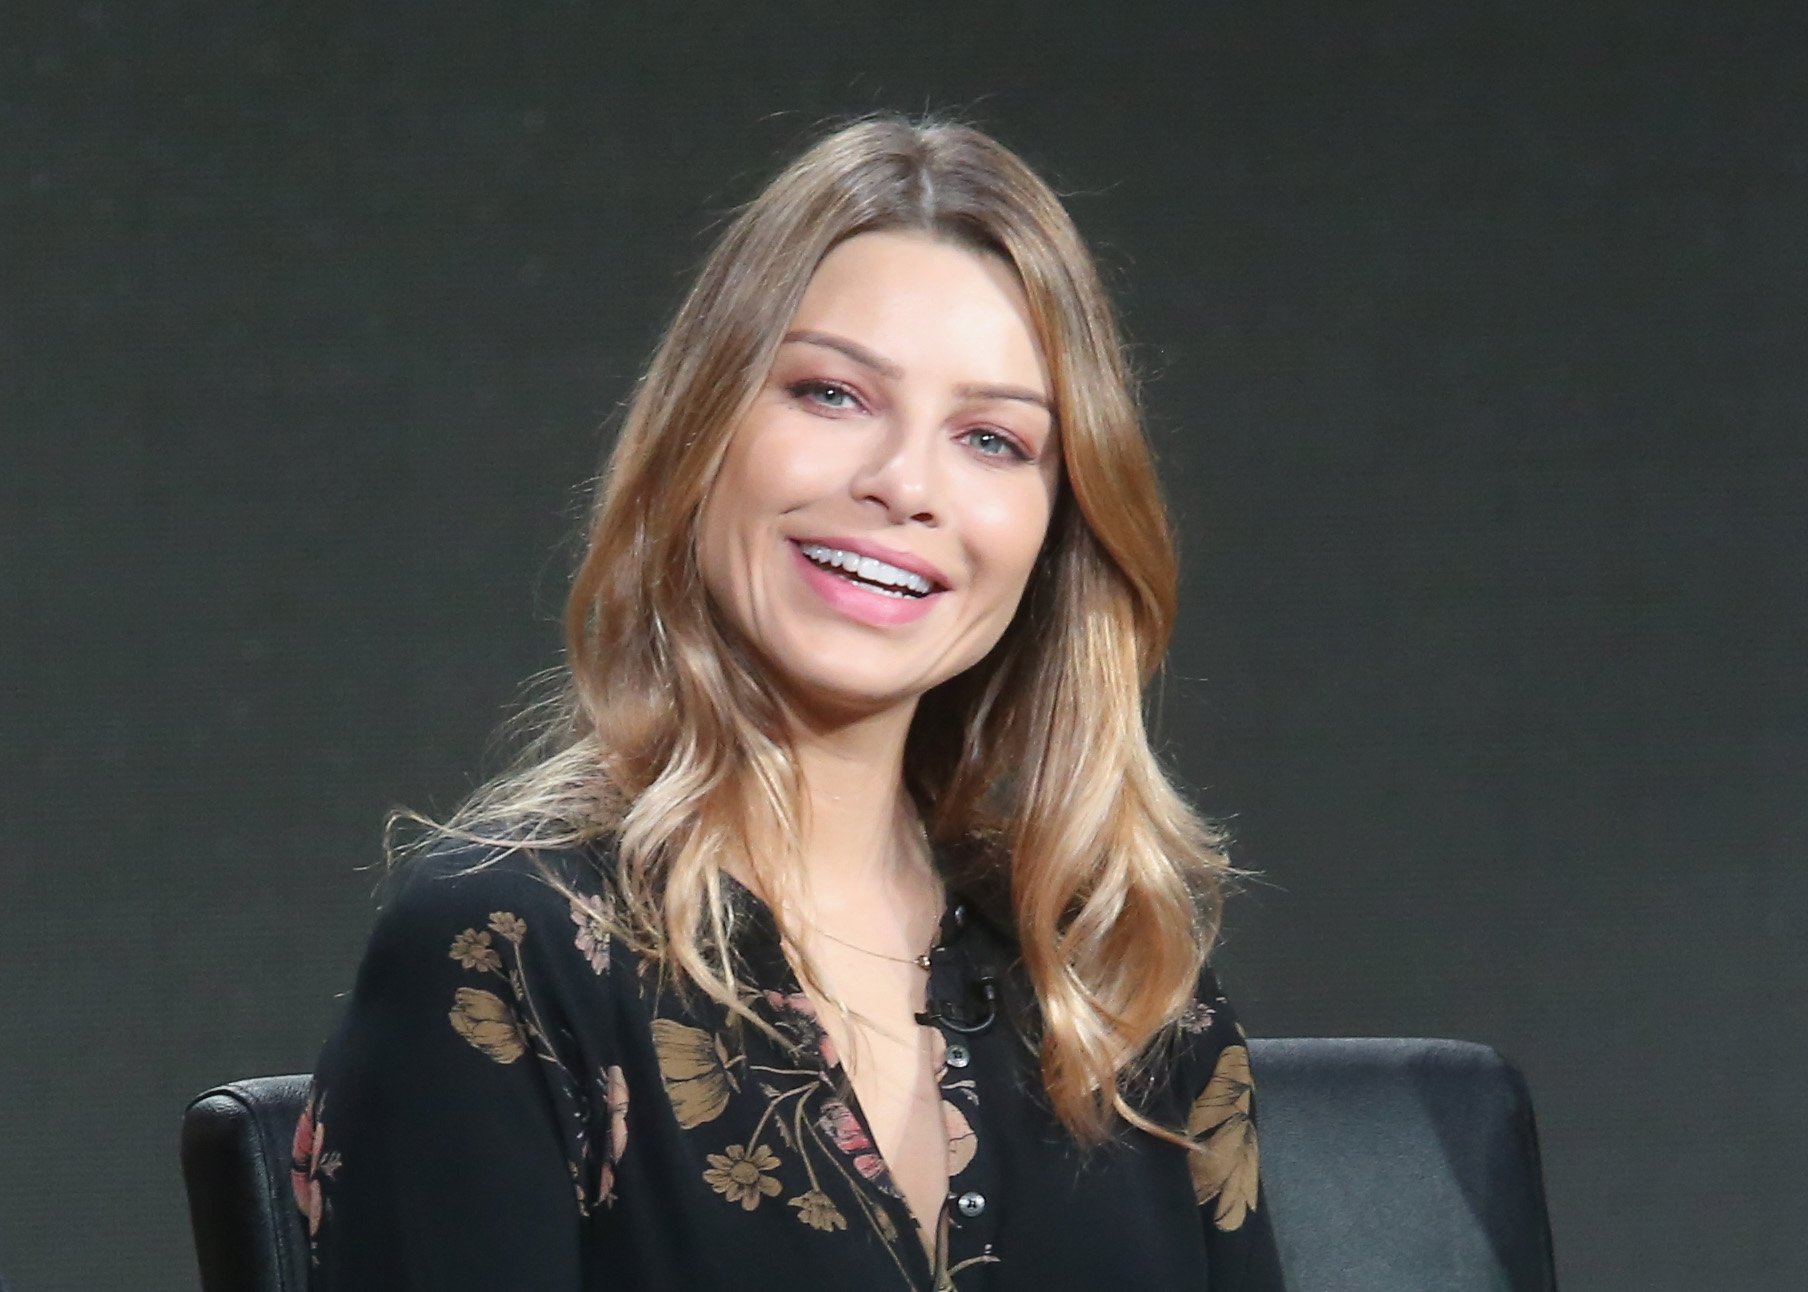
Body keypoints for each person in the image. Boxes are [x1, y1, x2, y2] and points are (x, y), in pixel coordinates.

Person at [293, 115, 1284, 1291]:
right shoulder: (507, 949)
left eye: (991, 438)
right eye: (829, 393)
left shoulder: (1110, 969)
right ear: (703, 432)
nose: (904, 484)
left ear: (1057, 530)